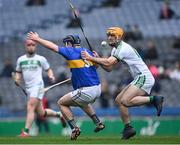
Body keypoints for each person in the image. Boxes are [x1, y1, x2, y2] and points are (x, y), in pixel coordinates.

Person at [81, 27, 164, 139]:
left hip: (144, 77)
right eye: (108, 35)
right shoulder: (115, 50)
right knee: (118, 101)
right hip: (138, 78)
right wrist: (97, 59)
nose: (109, 38)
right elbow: (109, 68)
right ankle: (128, 128)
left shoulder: (123, 48)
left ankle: (154, 99)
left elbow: (109, 61)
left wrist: (91, 58)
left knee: (125, 101)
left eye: (112, 36)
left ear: (119, 37)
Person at [27, 32, 105, 140]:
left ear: (70, 43)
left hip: (87, 90)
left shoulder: (70, 51)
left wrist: (37, 39)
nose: (65, 46)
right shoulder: (87, 51)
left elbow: (53, 47)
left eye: (66, 43)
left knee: (61, 103)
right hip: (97, 89)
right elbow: (95, 66)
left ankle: (74, 128)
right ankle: (98, 123)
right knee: (83, 102)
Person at [15, 39, 66, 137]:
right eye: (29, 45)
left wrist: (51, 76)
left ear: (36, 46)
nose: (31, 46)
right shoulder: (20, 59)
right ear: (25, 46)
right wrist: (17, 79)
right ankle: (59, 115)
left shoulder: (40, 59)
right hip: (28, 88)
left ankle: (26, 132)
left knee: (30, 106)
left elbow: (48, 69)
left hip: (38, 86)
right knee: (41, 113)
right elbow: (18, 72)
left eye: (33, 45)